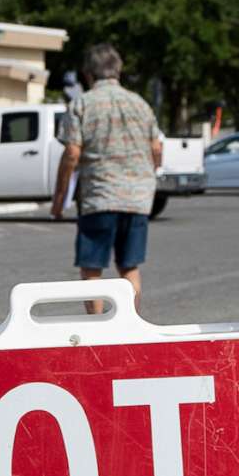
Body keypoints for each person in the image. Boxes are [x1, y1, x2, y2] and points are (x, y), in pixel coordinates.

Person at [50, 42, 163, 298]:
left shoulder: (82, 105)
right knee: (129, 267)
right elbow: (156, 148)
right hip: (137, 199)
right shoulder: (140, 104)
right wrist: (146, 178)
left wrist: (59, 200)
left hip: (99, 197)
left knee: (92, 270)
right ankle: (134, 330)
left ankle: (97, 328)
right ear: (118, 71)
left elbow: (72, 154)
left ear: (87, 74)